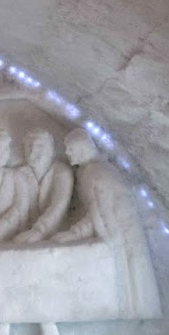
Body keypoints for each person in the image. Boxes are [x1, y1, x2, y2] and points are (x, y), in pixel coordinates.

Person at [53, 128, 159, 310]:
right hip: (121, 234)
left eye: (70, 148)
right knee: (132, 283)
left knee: (133, 283)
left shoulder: (95, 172)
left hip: (122, 236)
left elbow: (100, 212)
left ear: (81, 148)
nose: (67, 152)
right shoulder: (93, 170)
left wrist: (75, 233)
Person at [14, 130, 73, 243]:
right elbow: (18, 208)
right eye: (29, 146)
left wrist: (39, 230)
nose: (33, 151)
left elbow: (58, 206)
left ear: (50, 150)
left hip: (55, 234)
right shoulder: (20, 173)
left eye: (39, 146)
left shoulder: (62, 172)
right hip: (25, 233)